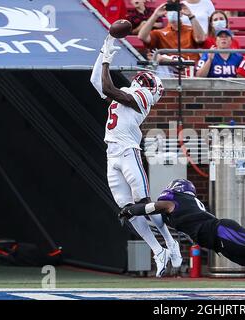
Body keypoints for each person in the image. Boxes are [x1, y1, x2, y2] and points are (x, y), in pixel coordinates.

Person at [89, 35, 183, 277]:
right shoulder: (127, 91)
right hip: (113, 155)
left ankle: (170, 242)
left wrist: (108, 63)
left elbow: (107, 88)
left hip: (129, 152)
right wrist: (105, 48)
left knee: (144, 205)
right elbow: (96, 81)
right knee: (127, 209)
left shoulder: (143, 97)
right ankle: (158, 250)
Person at [138, 2, 206, 77]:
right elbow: (142, 36)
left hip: (190, 70)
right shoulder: (159, 33)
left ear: (181, 13)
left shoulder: (191, 30)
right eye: (170, 10)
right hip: (170, 72)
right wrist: (155, 15)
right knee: (158, 60)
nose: (173, 12)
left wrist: (191, 15)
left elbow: (201, 39)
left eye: (176, 9)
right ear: (165, 13)